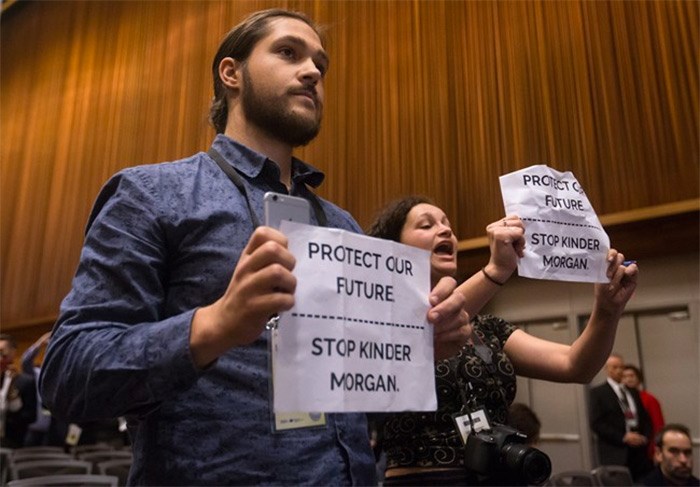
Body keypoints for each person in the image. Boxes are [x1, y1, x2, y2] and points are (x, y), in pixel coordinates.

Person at [38, 10, 469, 485]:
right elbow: (68, 373)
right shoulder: (152, 195)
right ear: (231, 74)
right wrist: (213, 326)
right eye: (288, 53)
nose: (312, 72)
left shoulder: (343, 226)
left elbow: (353, 396)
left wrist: (412, 350)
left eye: (320, 65)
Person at [366, 195, 639, 485]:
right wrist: (496, 270)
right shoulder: (380, 320)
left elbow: (575, 365)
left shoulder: (486, 328)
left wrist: (607, 311)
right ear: (394, 251)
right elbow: (424, 328)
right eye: (426, 225)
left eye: (447, 224)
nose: (446, 231)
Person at [590, 353, 654, 482]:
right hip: (615, 451)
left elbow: (645, 419)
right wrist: (623, 437)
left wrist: (645, 437)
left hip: (638, 451)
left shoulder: (633, 391)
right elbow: (596, 423)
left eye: (621, 367)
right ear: (606, 369)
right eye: (614, 367)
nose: (619, 370)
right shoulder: (599, 393)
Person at [0, 333, 37, 448]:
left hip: (11, 443)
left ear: (12, 353)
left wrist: (12, 398)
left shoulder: (25, 382)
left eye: (1, 352)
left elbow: (31, 416)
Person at [623, 363, 665, 462]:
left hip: (646, 449)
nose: (628, 379)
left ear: (639, 378)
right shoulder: (621, 400)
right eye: (624, 377)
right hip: (626, 451)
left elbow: (658, 425)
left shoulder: (649, 399)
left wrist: (655, 449)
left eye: (631, 376)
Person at [21, 331, 52, 446]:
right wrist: (40, 343)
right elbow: (25, 361)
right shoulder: (36, 373)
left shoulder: (60, 376)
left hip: (53, 430)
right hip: (32, 428)